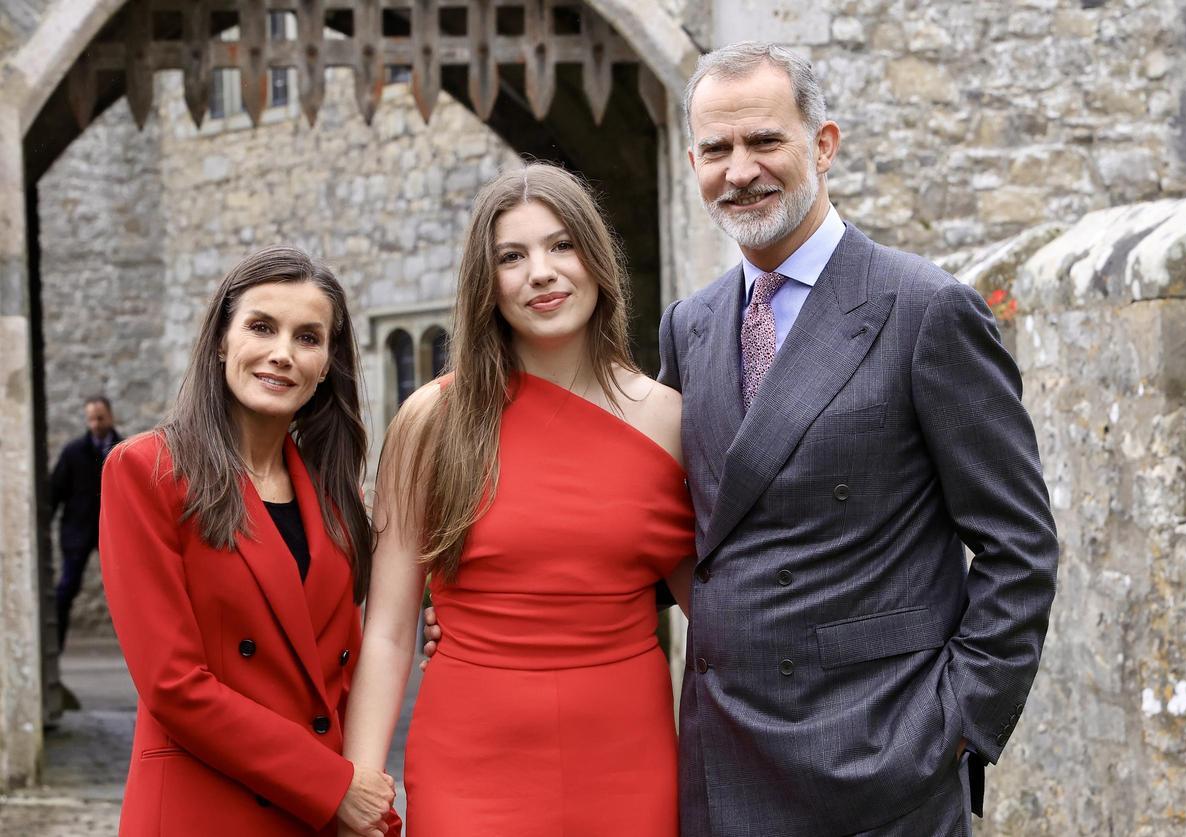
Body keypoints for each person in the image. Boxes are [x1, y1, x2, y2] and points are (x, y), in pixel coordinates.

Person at [425, 42, 1060, 837]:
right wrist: (498, 606)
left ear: (823, 145)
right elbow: (668, 533)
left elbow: (1019, 545)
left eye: (764, 141)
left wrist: (957, 723)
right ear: (692, 162)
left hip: (883, 759)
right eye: (717, 149)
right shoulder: (691, 326)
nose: (740, 170)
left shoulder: (924, 310)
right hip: (724, 758)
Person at [339, 162, 695, 836]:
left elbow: (718, 609)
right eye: (512, 256)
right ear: (486, 283)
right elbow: (387, 627)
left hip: (628, 759)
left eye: (562, 245)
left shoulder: (671, 421)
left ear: (597, 260)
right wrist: (358, 781)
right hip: (469, 763)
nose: (541, 272)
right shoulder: (430, 421)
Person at [99, 247, 400, 836]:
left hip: (315, 816)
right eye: (261, 327)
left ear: (326, 365)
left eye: (308, 338)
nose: (283, 353)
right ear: (221, 340)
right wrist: (332, 786)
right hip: (204, 808)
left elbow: (341, 676)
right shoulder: (147, 471)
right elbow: (172, 685)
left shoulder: (337, 500)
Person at [49, 394, 122, 652]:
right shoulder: (73, 452)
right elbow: (55, 492)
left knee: (125, 589)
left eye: (100, 418)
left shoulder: (123, 450)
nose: (95, 424)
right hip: (78, 532)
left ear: (110, 417)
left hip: (112, 531)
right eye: (91, 419)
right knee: (66, 588)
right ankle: (55, 646)